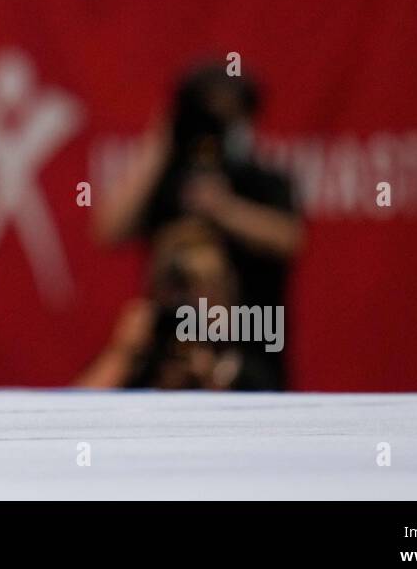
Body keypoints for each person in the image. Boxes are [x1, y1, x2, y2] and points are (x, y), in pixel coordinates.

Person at [88, 63, 302, 390]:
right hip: (166, 353)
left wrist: (224, 209)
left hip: (250, 345)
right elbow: (109, 228)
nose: (214, 128)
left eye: (227, 117)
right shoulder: (169, 183)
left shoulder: (262, 182)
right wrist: (161, 141)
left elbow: (290, 238)